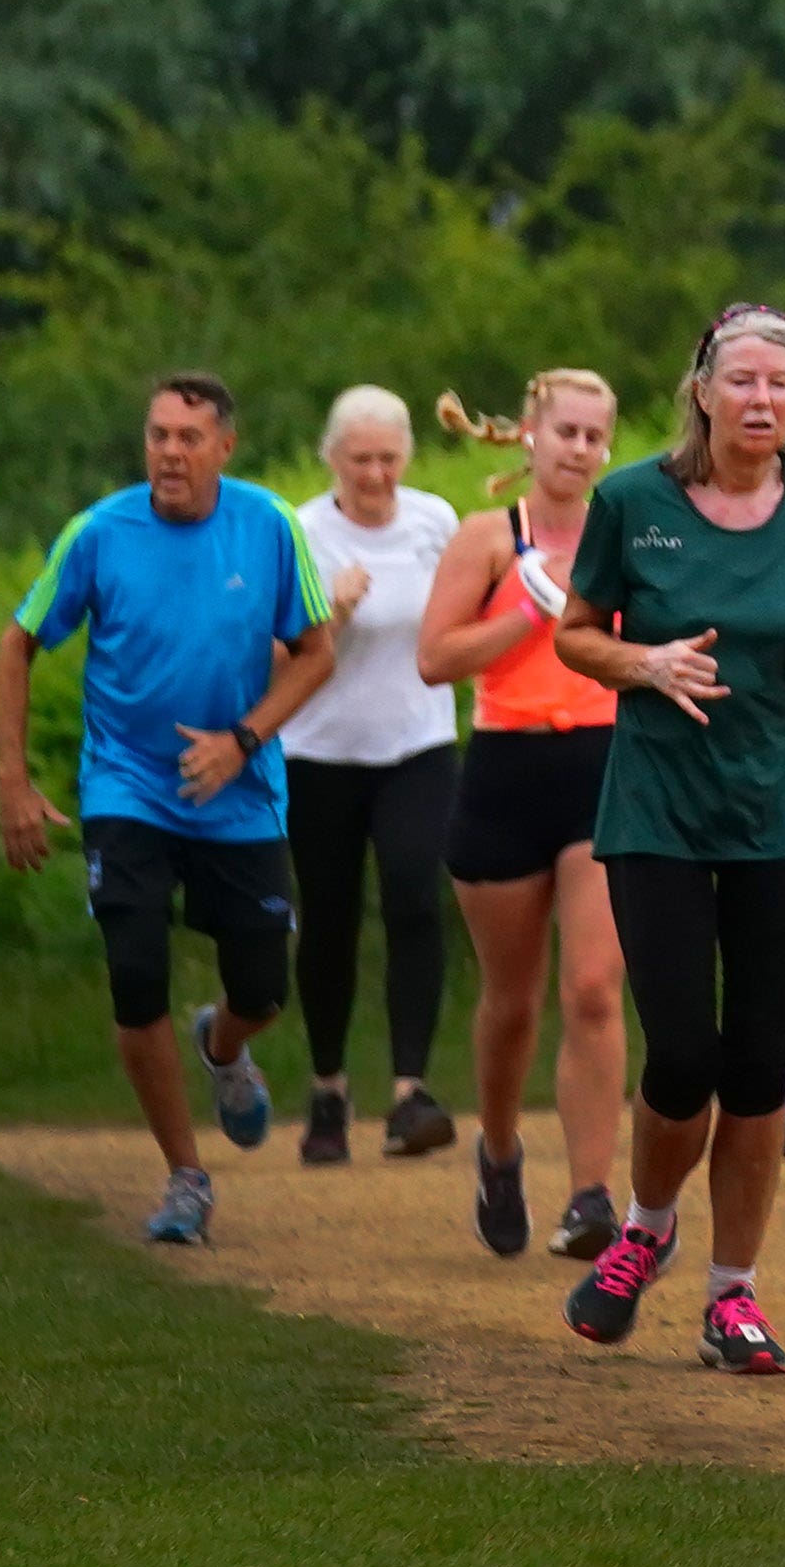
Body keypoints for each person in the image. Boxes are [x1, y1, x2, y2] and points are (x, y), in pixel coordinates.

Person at [551, 303, 785, 1372]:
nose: (760, 400)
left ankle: (732, 1294)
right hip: (657, 810)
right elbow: (576, 634)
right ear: (702, 389)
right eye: (741, 380)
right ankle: (645, 1228)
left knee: (756, 1066)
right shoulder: (633, 500)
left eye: (779, 384)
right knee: (682, 1051)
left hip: (773, 812)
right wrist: (644, 665)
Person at [0, 373, 337, 1248]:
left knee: (263, 988)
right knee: (133, 971)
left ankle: (222, 1044)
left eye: (188, 437)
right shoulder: (99, 533)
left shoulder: (269, 526)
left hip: (239, 792)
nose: (169, 453)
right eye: (156, 435)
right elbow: (18, 641)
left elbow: (316, 652)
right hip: (127, 786)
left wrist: (241, 741)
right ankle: (187, 1175)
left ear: (226, 445)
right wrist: (12, 779)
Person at [420, 372, 633, 1261]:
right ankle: (500, 1152)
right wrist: (524, 610)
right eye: (565, 432)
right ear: (530, 437)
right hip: (506, 767)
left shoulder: (627, 532)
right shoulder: (487, 539)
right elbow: (435, 658)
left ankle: (591, 1196)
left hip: (603, 761)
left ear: (609, 448)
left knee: (592, 986)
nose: (578, 449)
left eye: (594, 435)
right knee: (512, 1000)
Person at [281, 384, 466, 1165]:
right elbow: (274, 648)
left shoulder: (435, 522)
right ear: (332, 459)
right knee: (327, 918)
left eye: (389, 458)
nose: (376, 474)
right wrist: (332, 607)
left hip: (417, 742)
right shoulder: (297, 529)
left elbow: (459, 615)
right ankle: (327, 1091)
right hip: (319, 748)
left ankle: (409, 1091)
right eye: (360, 459)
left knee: (415, 897)